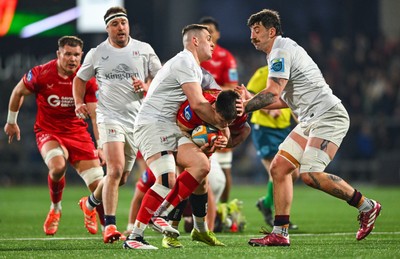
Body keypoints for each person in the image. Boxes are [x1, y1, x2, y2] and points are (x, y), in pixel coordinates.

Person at [243, 9, 381, 247]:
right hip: (310, 119)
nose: (252, 36)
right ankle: (280, 232)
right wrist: (250, 103)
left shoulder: (280, 51)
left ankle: (367, 206)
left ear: (271, 31)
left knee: (310, 175)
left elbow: (272, 93)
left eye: (257, 30)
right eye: (251, 31)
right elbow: (283, 99)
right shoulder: (280, 51)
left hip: (328, 115)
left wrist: (243, 106)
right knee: (279, 168)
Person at [123, 24, 233, 250]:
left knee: (201, 165)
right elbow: (199, 104)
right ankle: (135, 237)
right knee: (166, 178)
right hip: (152, 124)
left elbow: (210, 101)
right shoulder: (184, 62)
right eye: (208, 38)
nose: (212, 43)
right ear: (195, 41)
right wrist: (221, 125)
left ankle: (165, 219)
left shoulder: (193, 67)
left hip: (170, 127)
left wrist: (221, 130)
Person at [73, 6, 162, 244]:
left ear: (128, 25)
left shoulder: (143, 50)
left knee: (120, 178)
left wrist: (146, 87)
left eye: (123, 23)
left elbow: (160, 78)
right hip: (108, 117)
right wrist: (78, 102)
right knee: (113, 170)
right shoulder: (97, 53)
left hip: (137, 120)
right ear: (107, 28)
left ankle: (90, 202)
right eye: (115, 24)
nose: (120, 27)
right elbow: (79, 79)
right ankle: (110, 226)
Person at [3, 36, 105, 236]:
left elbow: (95, 114)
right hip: (49, 131)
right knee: (57, 166)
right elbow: (18, 92)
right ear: (59, 54)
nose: (72, 59)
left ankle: (106, 226)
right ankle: (55, 208)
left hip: (77, 133)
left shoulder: (87, 79)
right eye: (68, 54)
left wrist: (100, 145)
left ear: (81, 55)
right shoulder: (41, 74)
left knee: (98, 184)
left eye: (76, 55)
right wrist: (11, 121)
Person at [247, 65, 299, 230]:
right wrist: (268, 112)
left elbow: (291, 100)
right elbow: (248, 96)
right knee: (277, 171)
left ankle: (267, 203)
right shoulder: (262, 73)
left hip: (283, 128)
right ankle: (280, 217)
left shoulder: (287, 74)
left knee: (293, 172)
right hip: (264, 128)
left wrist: (300, 118)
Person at [199, 16, 239, 203]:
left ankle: (223, 210)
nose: (209, 35)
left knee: (224, 168)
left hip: (219, 114)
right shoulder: (194, 57)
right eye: (205, 31)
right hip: (198, 115)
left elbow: (231, 87)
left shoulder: (226, 58)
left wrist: (206, 93)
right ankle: (197, 211)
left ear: (218, 34)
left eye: (211, 31)